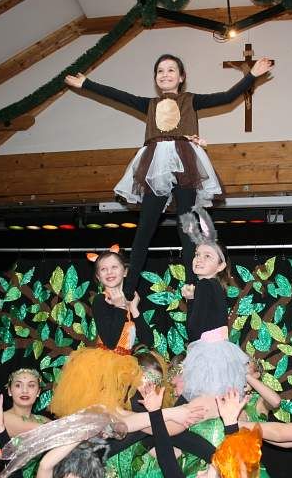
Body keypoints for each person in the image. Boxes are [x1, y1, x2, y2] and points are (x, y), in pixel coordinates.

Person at [64, 54, 273, 300]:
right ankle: (128, 291)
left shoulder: (191, 100)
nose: (165, 74)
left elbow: (227, 97)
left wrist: (252, 75)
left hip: (185, 165)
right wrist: (87, 84)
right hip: (156, 167)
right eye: (160, 71)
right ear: (155, 78)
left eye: (171, 70)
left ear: (181, 77)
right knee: (145, 228)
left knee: (186, 227)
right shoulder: (149, 104)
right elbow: (118, 95)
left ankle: (192, 284)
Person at [147, 387, 263, 478]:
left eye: (206, 473)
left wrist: (231, 425)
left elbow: (235, 475)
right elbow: (168, 464)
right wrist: (154, 412)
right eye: (206, 472)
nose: (199, 472)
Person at [50, 249, 149, 416]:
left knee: (130, 415)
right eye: (103, 269)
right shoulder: (101, 300)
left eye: (114, 267)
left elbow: (148, 341)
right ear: (98, 276)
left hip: (127, 367)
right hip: (104, 369)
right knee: (108, 415)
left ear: (125, 271)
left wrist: (134, 310)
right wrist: (119, 307)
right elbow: (110, 341)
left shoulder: (131, 300)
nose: (109, 272)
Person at [180, 240, 248, 400]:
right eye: (197, 254)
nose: (199, 259)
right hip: (220, 352)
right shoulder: (217, 286)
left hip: (208, 353)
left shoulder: (204, 285)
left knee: (202, 404)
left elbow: (193, 330)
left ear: (221, 266)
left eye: (207, 256)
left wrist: (190, 301)